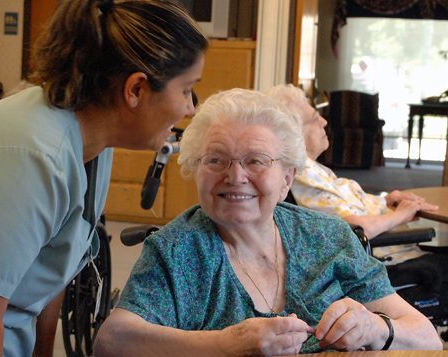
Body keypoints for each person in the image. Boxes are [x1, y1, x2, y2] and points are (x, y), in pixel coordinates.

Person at [0, 0, 207, 356]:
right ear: (136, 90)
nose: (190, 108)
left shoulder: (94, 141)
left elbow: (53, 267)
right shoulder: (29, 155)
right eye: (187, 89)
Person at [94, 88, 442, 356]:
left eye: (256, 161)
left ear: (287, 179)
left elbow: (427, 338)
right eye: (216, 160)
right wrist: (227, 344)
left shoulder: (327, 237)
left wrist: (376, 329)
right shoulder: (175, 251)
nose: (236, 177)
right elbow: (111, 342)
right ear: (195, 170)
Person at [265, 84, 439, 264]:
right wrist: (400, 215)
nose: (324, 122)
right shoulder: (301, 172)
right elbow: (355, 228)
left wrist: (385, 200)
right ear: (294, 132)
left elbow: (341, 205)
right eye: (315, 118)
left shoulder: (312, 167)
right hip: (381, 262)